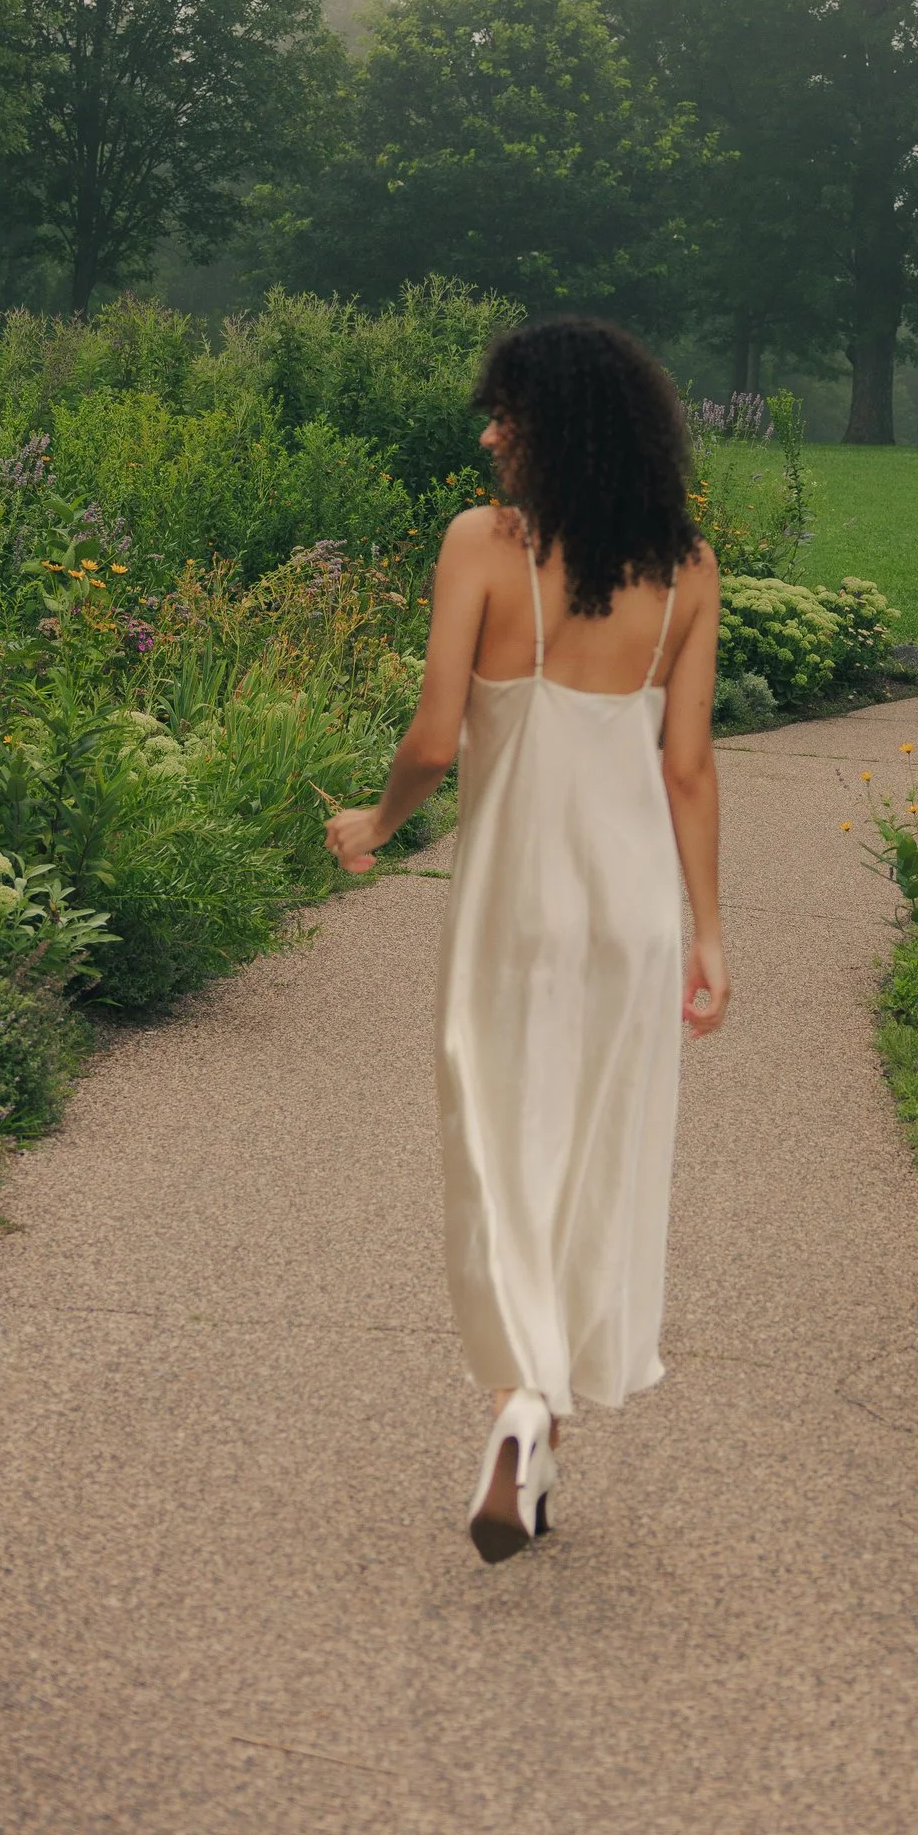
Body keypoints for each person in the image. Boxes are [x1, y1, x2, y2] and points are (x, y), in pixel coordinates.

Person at [326, 316, 728, 1563]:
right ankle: (545, 1421)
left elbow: (438, 738)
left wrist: (375, 823)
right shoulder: (689, 570)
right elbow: (690, 768)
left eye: (508, 413)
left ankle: (514, 1399)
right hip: (634, 915)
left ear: (561, 426)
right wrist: (710, 932)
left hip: (516, 906)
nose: (491, 433)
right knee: (600, 1157)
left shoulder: (483, 549)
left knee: (502, 1147)